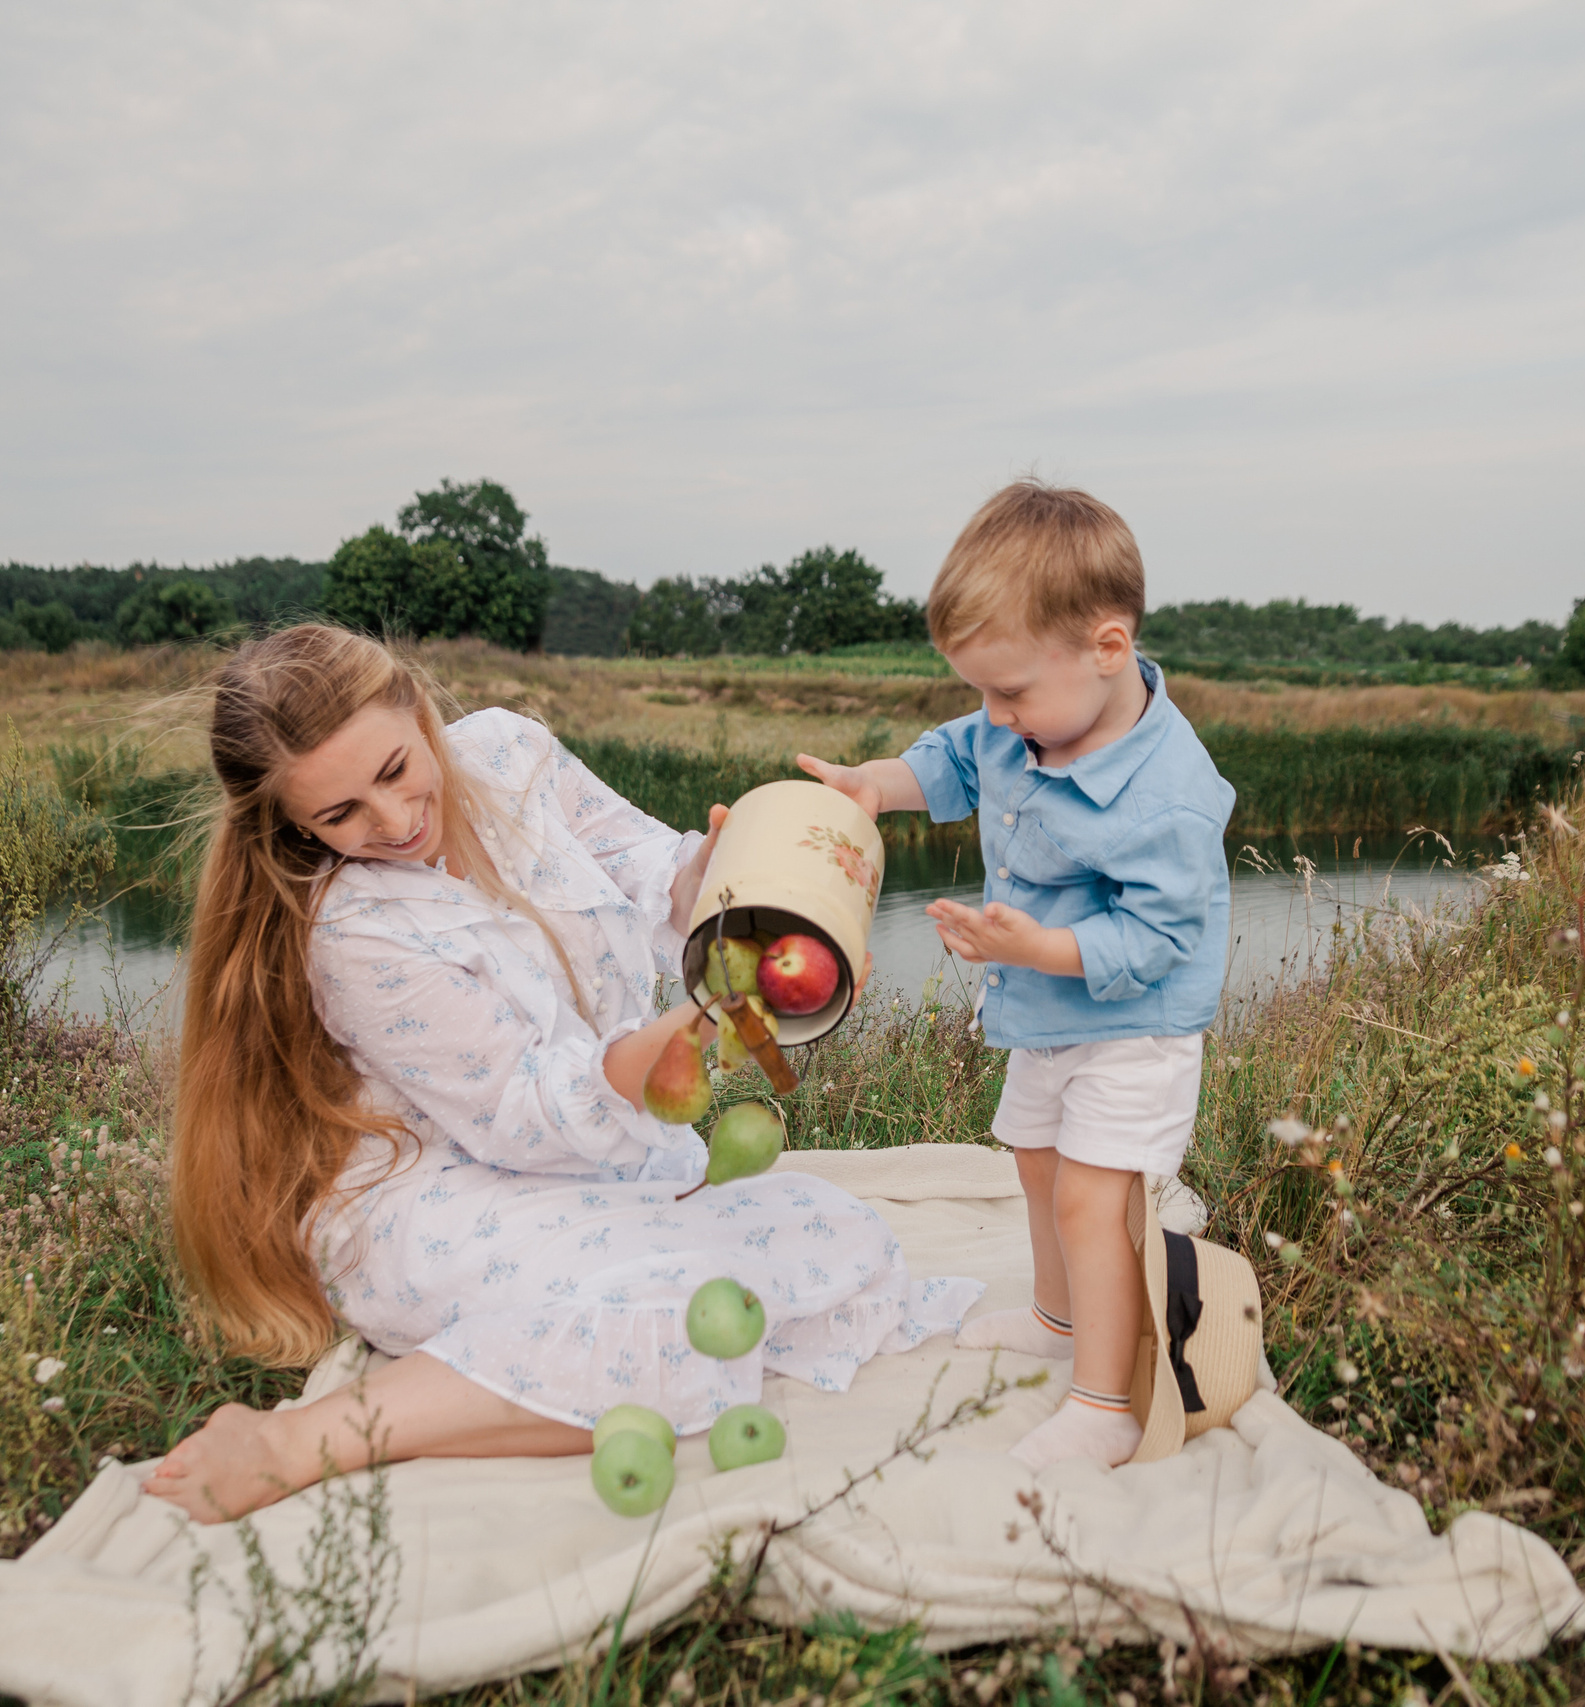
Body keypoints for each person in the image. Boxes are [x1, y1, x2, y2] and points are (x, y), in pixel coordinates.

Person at [144, 624, 979, 1522]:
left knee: (840, 1241)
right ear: (297, 825)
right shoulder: (354, 931)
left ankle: (572, 1333)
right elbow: (519, 1116)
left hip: (603, 1160)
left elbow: (651, 869)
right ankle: (295, 1442)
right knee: (672, 1323)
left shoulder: (512, 754)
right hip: (442, 1188)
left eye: (393, 771)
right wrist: (646, 1060)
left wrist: (725, 874)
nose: (391, 823)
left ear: (416, 710)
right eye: (339, 816)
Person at [799, 481, 1235, 1470]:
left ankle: (1102, 1401)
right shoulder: (1017, 721)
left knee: (1092, 1196)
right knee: (1034, 1166)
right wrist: (876, 785)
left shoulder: (1165, 797)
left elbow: (1158, 938)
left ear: (1107, 649)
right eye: (982, 692)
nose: (992, 716)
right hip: (1044, 1011)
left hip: (1134, 1024)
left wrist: (1031, 947)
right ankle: (1056, 1316)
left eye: (1009, 694)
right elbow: (954, 759)